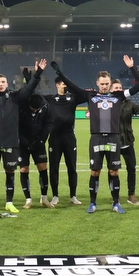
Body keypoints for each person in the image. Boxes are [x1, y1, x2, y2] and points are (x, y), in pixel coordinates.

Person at [51, 56, 139, 214]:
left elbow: (137, 88)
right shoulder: (90, 96)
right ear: (97, 83)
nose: (104, 86)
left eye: (106, 84)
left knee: (114, 171)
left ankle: (116, 203)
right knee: (95, 172)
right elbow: (72, 86)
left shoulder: (118, 96)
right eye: (102, 84)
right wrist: (59, 73)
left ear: (110, 84)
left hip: (113, 138)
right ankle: (93, 203)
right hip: (96, 138)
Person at [0, 52, 45, 214]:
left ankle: (9, 202)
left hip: (11, 141)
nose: (1, 84)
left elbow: (29, 88)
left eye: (3, 81)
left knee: (10, 172)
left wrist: (38, 73)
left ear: (7, 83)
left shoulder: (15, 97)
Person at [44, 67, 84, 206]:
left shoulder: (73, 98)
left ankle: (73, 195)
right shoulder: (50, 99)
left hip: (69, 136)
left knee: (71, 166)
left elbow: (83, 95)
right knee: (54, 167)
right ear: (57, 85)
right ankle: (55, 195)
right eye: (63, 83)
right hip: (54, 137)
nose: (65, 85)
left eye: (66, 83)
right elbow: (34, 97)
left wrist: (71, 88)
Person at [110, 76, 139, 206]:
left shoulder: (128, 103)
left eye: (120, 88)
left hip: (128, 141)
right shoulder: (108, 103)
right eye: (116, 88)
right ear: (111, 90)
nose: (118, 90)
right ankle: (114, 196)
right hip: (113, 142)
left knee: (131, 169)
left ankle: (131, 194)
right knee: (113, 171)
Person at [18, 88, 52, 209]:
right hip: (23, 144)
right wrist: (25, 142)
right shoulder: (21, 106)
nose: (35, 111)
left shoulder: (45, 106)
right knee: (23, 169)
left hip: (39, 142)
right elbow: (17, 126)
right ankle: (28, 199)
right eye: (33, 109)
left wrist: (42, 139)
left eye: (36, 109)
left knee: (43, 168)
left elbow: (48, 124)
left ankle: (44, 198)